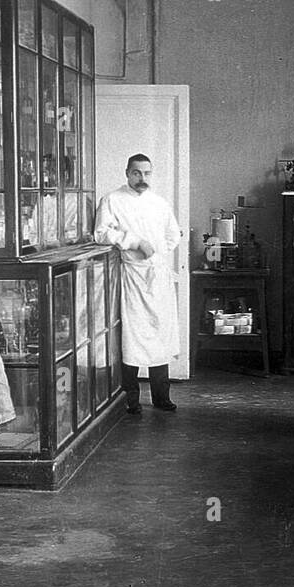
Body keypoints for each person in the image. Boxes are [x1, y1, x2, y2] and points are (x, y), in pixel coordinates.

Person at [94, 154, 181, 413]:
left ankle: (161, 396)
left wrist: (157, 253)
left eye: (146, 173)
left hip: (157, 276)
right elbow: (101, 233)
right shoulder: (112, 200)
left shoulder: (159, 203)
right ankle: (130, 398)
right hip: (131, 275)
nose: (142, 179)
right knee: (131, 338)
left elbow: (173, 234)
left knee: (159, 336)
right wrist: (134, 242)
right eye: (136, 173)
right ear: (127, 173)